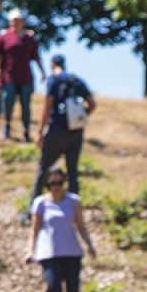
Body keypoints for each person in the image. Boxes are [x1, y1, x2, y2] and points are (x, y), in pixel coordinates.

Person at [28, 167, 96, 292]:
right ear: (47, 185)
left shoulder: (73, 201)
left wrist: (89, 245)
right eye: (52, 183)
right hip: (49, 253)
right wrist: (31, 250)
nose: (56, 187)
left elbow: (81, 226)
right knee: (54, 288)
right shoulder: (40, 203)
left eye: (59, 182)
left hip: (72, 252)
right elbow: (34, 230)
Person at [31, 53, 96, 207]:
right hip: (75, 133)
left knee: (43, 170)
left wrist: (40, 132)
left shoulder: (52, 81)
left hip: (55, 131)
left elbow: (47, 107)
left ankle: (33, 209)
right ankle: (74, 211)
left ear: (52, 65)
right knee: (72, 172)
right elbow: (92, 104)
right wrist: (79, 118)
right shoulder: (76, 81)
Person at [0, 8, 44, 141]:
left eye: (19, 20)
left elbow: (36, 57)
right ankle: (7, 126)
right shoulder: (3, 36)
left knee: (26, 105)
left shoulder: (29, 37)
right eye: (14, 20)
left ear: (23, 21)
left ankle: (25, 131)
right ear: (10, 22)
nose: (16, 23)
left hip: (25, 76)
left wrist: (43, 72)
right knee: (8, 101)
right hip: (9, 75)